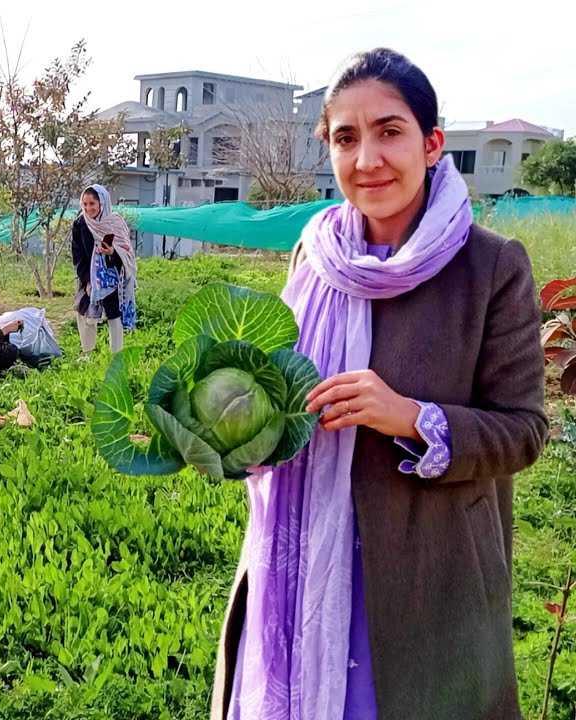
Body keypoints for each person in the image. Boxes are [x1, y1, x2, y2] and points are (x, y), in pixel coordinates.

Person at [211, 48, 548, 720]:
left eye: (390, 132)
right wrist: (240, 430)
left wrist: (411, 417)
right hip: (300, 569)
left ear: (431, 144)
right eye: (345, 137)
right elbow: (286, 383)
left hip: (427, 586)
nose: (367, 159)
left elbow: (524, 430)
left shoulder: (492, 266)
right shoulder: (315, 252)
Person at [71, 184, 137, 356]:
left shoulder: (114, 222)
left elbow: (126, 250)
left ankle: (117, 354)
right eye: (85, 204)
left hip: (112, 275)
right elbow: (78, 256)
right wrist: (87, 280)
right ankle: (88, 354)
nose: (88, 208)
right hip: (88, 276)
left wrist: (112, 252)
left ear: (102, 203)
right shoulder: (80, 224)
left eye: (92, 203)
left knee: (114, 315)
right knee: (85, 314)